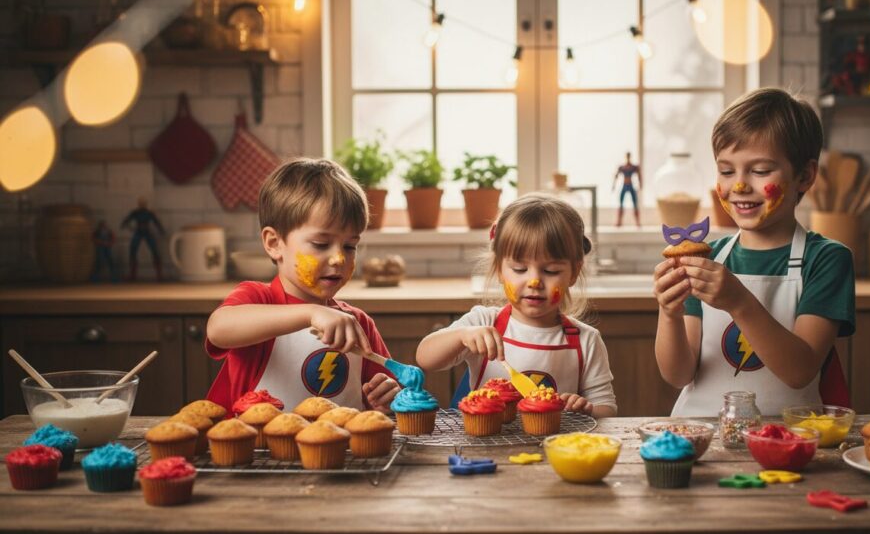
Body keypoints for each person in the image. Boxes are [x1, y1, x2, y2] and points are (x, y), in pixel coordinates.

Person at [654, 88, 854, 416]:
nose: (740, 186)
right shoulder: (706, 258)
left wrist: (738, 301)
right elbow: (677, 375)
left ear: (805, 175)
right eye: (727, 171)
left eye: (760, 171)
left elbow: (799, 371)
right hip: (702, 435)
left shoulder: (826, 259)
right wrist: (669, 313)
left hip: (790, 439)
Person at [204, 158, 399, 413]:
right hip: (257, 451)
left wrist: (386, 396)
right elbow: (219, 329)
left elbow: (384, 398)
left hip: (344, 452)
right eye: (320, 244)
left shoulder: (357, 324)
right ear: (274, 243)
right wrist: (311, 313)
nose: (339, 258)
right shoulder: (257, 300)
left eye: (350, 246)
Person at [416, 195, 617, 418]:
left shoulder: (586, 339)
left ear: (574, 273)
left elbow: (606, 408)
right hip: (487, 447)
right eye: (520, 269)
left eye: (551, 271)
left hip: (555, 449)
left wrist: (586, 409)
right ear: (500, 270)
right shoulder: (484, 323)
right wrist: (462, 335)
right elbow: (425, 358)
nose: (534, 282)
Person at [121, 197, 165, 281]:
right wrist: (125, 225)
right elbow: (127, 219)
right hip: (139, 231)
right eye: (141, 203)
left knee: (154, 250)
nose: (142, 205)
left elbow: (156, 222)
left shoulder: (148, 213)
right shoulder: (136, 212)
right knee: (133, 249)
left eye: (143, 203)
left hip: (146, 232)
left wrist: (161, 230)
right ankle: (132, 274)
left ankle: (159, 274)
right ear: (139, 204)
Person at [612, 152, 642, 228]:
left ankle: (638, 222)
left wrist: (640, 184)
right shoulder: (622, 167)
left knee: (635, 204)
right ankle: (619, 221)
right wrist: (614, 185)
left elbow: (639, 175)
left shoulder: (633, 167)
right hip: (625, 185)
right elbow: (616, 176)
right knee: (621, 203)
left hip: (630, 185)